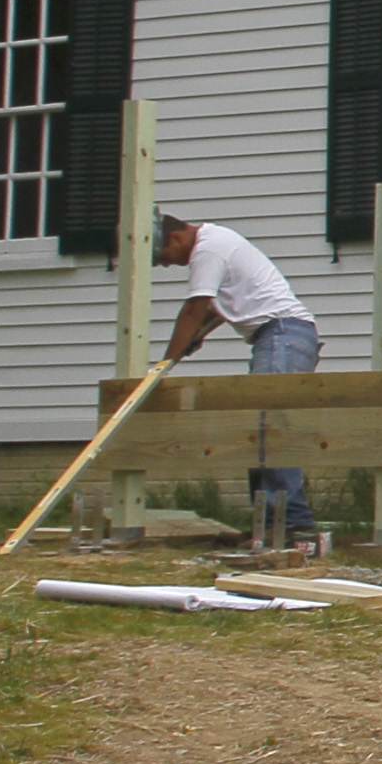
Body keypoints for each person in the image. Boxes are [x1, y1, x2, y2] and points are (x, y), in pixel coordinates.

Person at [156, 211, 319, 544]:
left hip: (282, 334)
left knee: (269, 426)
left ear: (175, 238)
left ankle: (291, 524)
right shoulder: (218, 241)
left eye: (163, 257)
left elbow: (194, 308)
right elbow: (220, 307)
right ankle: (270, 523)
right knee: (261, 429)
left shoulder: (208, 249)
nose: (165, 264)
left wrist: (165, 364)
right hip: (282, 335)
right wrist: (198, 334)